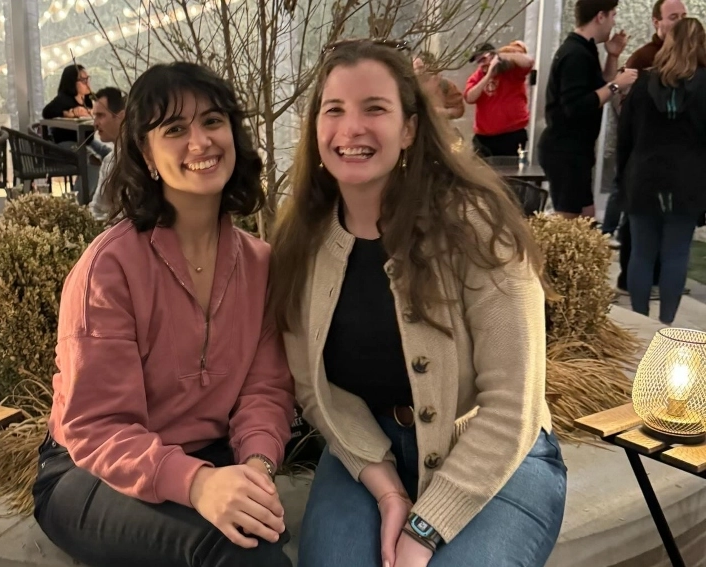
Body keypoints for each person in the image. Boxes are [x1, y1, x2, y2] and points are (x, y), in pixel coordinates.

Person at [270, 39, 566, 567]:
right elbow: (317, 390)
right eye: (333, 110)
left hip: (496, 453)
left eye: (375, 109)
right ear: (316, 130)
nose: (351, 128)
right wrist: (386, 488)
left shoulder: (477, 227)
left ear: (408, 129)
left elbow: (512, 404)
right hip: (369, 451)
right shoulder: (301, 244)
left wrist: (426, 529)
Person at [32, 62, 295, 567]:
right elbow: (97, 425)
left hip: (210, 458)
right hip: (90, 472)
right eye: (174, 129)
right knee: (242, 553)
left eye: (213, 121)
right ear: (146, 154)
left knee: (256, 527)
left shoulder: (261, 264)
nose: (200, 142)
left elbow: (266, 391)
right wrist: (195, 483)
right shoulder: (109, 269)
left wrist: (258, 467)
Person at [617, 17, 706, 325]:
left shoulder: (642, 83)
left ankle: (640, 322)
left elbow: (624, 135)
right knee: (676, 254)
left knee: (641, 253)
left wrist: (621, 179)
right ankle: (666, 323)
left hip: (644, 176)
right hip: (687, 180)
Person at [612, 0, 688, 294]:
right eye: (672, 17)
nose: (679, 22)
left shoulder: (693, 57)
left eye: (683, 16)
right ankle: (631, 280)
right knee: (639, 222)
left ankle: (658, 279)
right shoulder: (644, 57)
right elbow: (625, 108)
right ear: (657, 22)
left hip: (678, 160)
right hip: (644, 155)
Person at [538, 0, 637, 219]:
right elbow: (576, 105)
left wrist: (612, 56)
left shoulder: (587, 48)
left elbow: (599, 86)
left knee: (586, 217)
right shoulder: (575, 54)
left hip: (578, 151)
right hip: (564, 151)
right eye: (612, 15)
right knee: (569, 222)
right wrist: (617, 85)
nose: (614, 23)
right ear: (600, 16)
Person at [42, 64, 103, 200]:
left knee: (112, 157)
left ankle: (101, 200)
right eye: (82, 80)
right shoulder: (64, 99)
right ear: (72, 82)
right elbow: (47, 112)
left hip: (87, 141)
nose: (87, 82)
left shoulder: (89, 101)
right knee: (93, 161)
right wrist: (70, 113)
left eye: (88, 78)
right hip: (66, 144)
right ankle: (78, 202)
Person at [464, 41, 534, 157]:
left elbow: (528, 62)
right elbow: (470, 98)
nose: (482, 64)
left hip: (512, 134)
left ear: (493, 56)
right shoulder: (477, 76)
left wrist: (503, 55)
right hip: (484, 137)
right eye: (478, 61)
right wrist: (488, 76)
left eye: (483, 59)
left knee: (510, 171)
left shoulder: (511, 71)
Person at [89, 86, 125, 220]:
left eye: (101, 116)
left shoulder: (140, 159)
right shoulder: (109, 160)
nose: (95, 123)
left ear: (121, 117)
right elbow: (97, 207)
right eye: (95, 116)